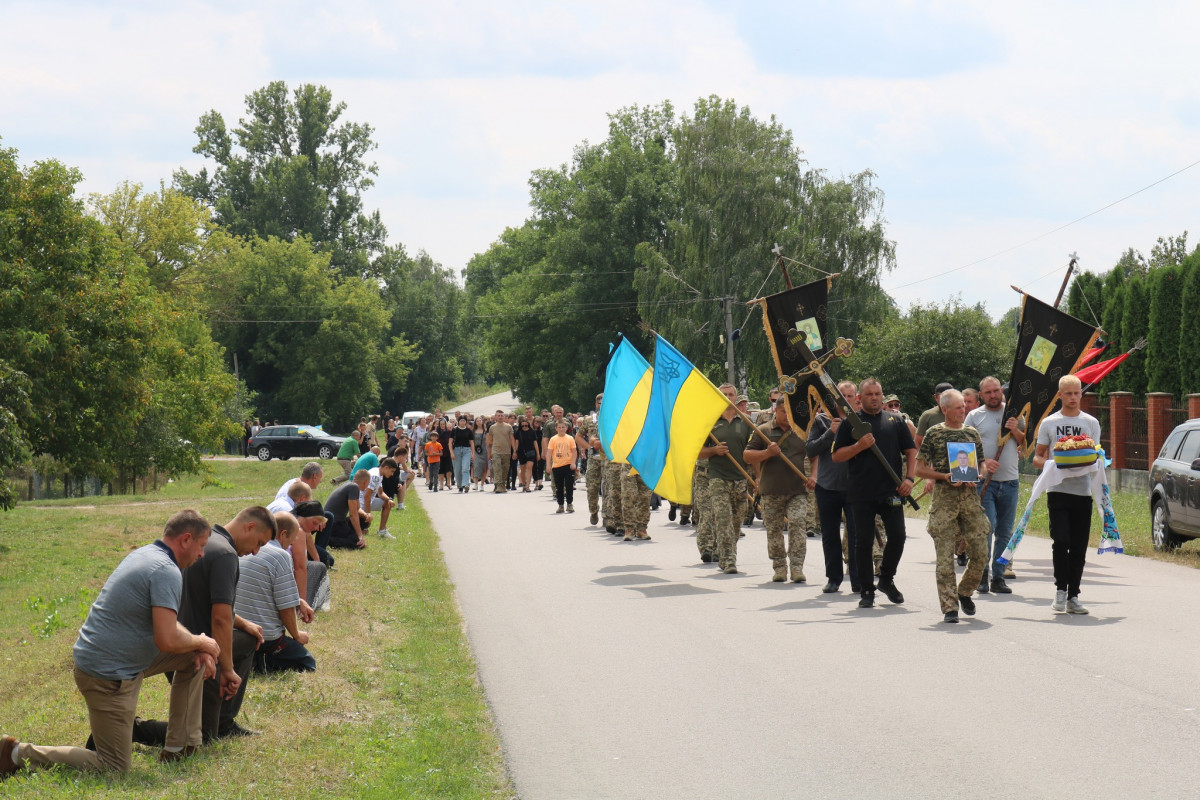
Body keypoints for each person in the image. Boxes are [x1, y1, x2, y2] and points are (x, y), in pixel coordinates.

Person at [1, 511, 219, 774]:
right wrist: (203, 641)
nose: (202, 555)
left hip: (123, 660)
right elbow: (167, 638)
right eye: (202, 546)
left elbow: (168, 627)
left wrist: (198, 646)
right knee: (113, 767)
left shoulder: (147, 554)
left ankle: (180, 746)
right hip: (106, 674)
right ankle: (14, 753)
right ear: (186, 539)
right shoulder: (165, 570)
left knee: (192, 657)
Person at [833, 378, 917, 609]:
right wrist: (858, 446)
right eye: (869, 394)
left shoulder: (895, 421)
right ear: (859, 398)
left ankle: (887, 579)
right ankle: (867, 590)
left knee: (898, 536)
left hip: (892, 490)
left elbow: (911, 451)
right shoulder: (851, 422)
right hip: (861, 492)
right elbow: (837, 455)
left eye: (878, 394)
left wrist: (909, 479)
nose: (875, 398)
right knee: (863, 541)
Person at [915, 390, 990, 623]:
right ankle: (949, 607)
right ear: (945, 409)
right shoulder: (934, 433)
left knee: (980, 552)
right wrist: (943, 475)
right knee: (945, 557)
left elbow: (982, 463)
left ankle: (964, 591)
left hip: (969, 498)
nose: (963, 410)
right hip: (945, 500)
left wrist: (978, 475)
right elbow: (919, 468)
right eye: (958, 407)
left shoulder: (971, 433)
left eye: (963, 407)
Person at [1033, 374, 1103, 614]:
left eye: (1077, 393)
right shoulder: (1049, 423)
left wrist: (1097, 462)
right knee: (1060, 540)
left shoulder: (1091, 422)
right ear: (1060, 395)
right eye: (1069, 393)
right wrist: (1051, 464)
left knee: (1080, 545)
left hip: (1083, 491)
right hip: (1058, 490)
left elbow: (1096, 454)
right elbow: (1037, 457)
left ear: (1081, 394)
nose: (1073, 398)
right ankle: (1060, 590)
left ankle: (1074, 595)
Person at [744, 394, 816, 582]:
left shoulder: (801, 431)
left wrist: (813, 476)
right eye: (784, 411)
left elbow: (815, 456)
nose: (787, 415)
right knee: (774, 530)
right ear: (776, 410)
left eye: (791, 412)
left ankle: (797, 567)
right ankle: (779, 567)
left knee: (798, 524)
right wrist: (767, 453)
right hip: (771, 491)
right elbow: (747, 456)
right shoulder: (763, 431)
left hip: (797, 490)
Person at [236, 512, 316, 673]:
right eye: (291, 541)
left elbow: (265, 588)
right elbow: (285, 608)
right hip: (265, 638)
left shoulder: (244, 550)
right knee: (307, 662)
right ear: (283, 534)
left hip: (236, 632)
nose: (291, 545)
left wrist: (298, 601)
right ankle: (260, 663)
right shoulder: (280, 556)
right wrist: (297, 635)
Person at [966, 376, 1023, 594]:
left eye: (996, 391)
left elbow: (1025, 443)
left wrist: (1015, 429)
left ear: (1002, 391)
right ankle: (981, 575)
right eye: (988, 392)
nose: (993, 395)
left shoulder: (1014, 412)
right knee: (985, 529)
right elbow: (964, 449)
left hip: (1010, 482)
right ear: (981, 395)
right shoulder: (973, 416)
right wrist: (982, 462)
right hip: (984, 484)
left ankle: (998, 576)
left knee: (1005, 531)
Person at [808, 381, 862, 593]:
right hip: (827, 485)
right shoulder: (821, 420)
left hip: (854, 486)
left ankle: (858, 578)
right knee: (830, 535)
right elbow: (810, 449)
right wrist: (830, 432)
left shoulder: (862, 420)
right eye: (841, 396)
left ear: (856, 398)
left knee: (857, 534)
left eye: (849, 396)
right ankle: (834, 578)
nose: (845, 400)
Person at [699, 383, 752, 573]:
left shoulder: (746, 422)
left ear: (736, 397)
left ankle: (727, 551)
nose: (728, 397)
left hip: (740, 478)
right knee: (723, 520)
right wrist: (714, 450)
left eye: (731, 394)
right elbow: (697, 452)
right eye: (724, 394)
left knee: (737, 522)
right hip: (718, 478)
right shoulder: (710, 422)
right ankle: (728, 560)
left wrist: (759, 478)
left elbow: (753, 451)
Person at [575, 394, 606, 525]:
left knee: (609, 488)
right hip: (594, 459)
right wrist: (588, 447)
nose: (602, 405)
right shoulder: (589, 420)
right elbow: (578, 436)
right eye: (599, 403)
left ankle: (607, 515)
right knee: (592, 488)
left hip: (609, 459)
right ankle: (594, 511)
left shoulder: (615, 417)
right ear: (596, 405)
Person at [326, 470, 372, 549]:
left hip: (336, 521)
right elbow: (353, 514)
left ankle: (347, 535)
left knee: (364, 520)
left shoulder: (351, 486)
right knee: (358, 544)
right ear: (366, 481)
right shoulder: (354, 488)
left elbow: (357, 509)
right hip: (333, 523)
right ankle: (330, 540)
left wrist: (365, 515)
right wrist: (360, 536)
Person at [362, 458, 400, 539]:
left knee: (387, 504)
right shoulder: (375, 476)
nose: (392, 474)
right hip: (360, 503)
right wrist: (368, 516)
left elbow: (380, 493)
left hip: (368, 501)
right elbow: (366, 496)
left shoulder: (380, 474)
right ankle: (363, 525)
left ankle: (382, 531)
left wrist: (389, 499)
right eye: (392, 471)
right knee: (362, 531)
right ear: (386, 468)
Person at [547, 420, 579, 514]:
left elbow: (574, 451)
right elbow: (549, 453)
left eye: (563, 427)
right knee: (559, 487)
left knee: (569, 486)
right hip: (557, 465)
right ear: (556, 428)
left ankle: (569, 504)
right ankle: (560, 505)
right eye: (559, 427)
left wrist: (573, 463)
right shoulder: (553, 439)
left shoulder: (570, 438)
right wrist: (548, 465)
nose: (561, 429)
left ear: (566, 428)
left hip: (568, 465)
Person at [915, 381, 954, 449]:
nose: (945, 400)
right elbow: (918, 441)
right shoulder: (927, 416)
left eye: (949, 397)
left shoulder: (960, 413)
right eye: (942, 396)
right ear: (935, 397)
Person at [486, 410, 515, 494]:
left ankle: (502, 484)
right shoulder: (492, 427)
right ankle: (498, 485)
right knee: (497, 468)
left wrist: (514, 451)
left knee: (505, 469)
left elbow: (512, 439)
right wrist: (489, 453)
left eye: (501, 415)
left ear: (504, 417)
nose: (500, 417)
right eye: (498, 415)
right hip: (496, 451)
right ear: (495, 417)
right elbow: (489, 441)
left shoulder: (508, 427)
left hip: (506, 451)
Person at [515, 416, 541, 492]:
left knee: (529, 468)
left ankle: (527, 486)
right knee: (523, 469)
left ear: (528, 425)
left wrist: (538, 453)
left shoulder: (532, 431)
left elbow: (535, 442)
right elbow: (517, 442)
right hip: (521, 452)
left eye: (526, 425)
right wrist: (515, 452)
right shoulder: (518, 432)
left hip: (531, 452)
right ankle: (523, 484)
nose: (524, 427)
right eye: (522, 426)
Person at [451, 417, 475, 494]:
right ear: (458, 422)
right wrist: (451, 452)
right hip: (456, 450)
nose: (462, 422)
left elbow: (471, 443)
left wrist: (473, 453)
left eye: (464, 421)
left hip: (466, 450)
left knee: (465, 467)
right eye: (461, 421)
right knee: (457, 469)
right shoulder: (454, 430)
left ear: (466, 422)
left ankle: (466, 484)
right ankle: (460, 485)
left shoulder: (468, 431)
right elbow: (450, 442)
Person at [471, 417, 489, 490]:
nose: (479, 422)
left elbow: (488, 441)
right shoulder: (473, 431)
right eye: (477, 421)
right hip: (476, 450)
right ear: (475, 422)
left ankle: (482, 485)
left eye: (480, 421)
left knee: (485, 467)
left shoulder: (486, 431)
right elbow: (471, 442)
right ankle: (475, 484)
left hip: (484, 450)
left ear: (482, 422)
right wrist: (472, 452)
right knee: (476, 466)